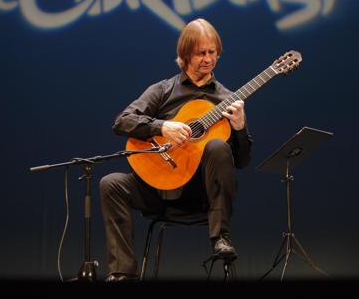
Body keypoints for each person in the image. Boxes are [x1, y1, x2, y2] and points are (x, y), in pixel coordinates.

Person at [99, 18, 252, 282]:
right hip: (158, 190)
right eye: (200, 53)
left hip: (200, 194)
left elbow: (241, 161)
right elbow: (122, 121)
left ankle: (221, 238)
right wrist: (162, 127)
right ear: (185, 55)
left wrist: (239, 128)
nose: (208, 59)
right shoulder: (163, 90)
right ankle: (122, 272)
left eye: (212, 52)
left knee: (216, 146)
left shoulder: (226, 99)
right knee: (110, 184)